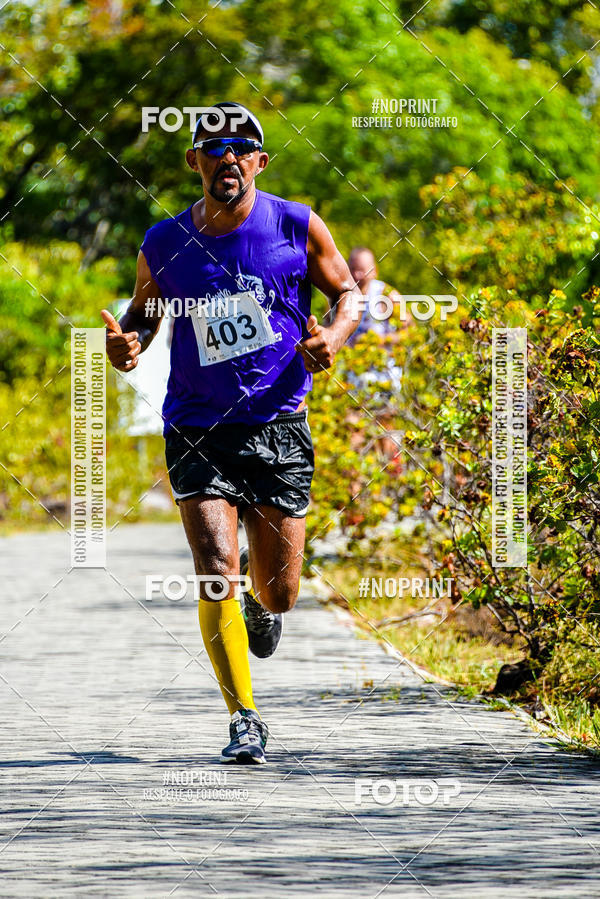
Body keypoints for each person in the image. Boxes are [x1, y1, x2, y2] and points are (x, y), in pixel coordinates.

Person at [102, 101, 360, 765]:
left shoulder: (296, 225)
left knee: (279, 590)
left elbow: (348, 293)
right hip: (196, 426)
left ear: (260, 161)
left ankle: (262, 603)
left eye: (241, 146)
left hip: (278, 423)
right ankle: (244, 716)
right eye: (212, 147)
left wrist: (333, 334)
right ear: (194, 161)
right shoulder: (163, 242)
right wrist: (128, 346)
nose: (227, 156)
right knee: (215, 568)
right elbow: (143, 314)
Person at [345, 247, 408, 468]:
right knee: (353, 432)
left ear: (375, 271)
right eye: (353, 269)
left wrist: (376, 344)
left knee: (385, 435)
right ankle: (356, 491)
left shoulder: (387, 295)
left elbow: (408, 333)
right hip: (354, 378)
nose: (357, 275)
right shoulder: (341, 296)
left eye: (362, 270)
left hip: (384, 376)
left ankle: (391, 488)